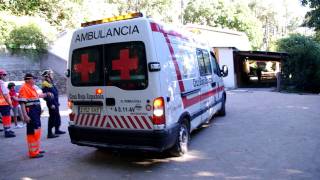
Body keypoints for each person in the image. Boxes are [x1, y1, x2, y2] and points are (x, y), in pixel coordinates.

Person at [19, 73, 51, 158]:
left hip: (35, 113)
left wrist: (45, 94)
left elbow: (36, 97)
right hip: (31, 113)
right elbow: (22, 103)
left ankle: (36, 149)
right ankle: (33, 153)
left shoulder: (31, 88)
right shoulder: (24, 88)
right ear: (28, 80)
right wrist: (25, 116)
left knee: (37, 130)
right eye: (33, 79)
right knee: (32, 132)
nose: (34, 80)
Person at [41, 69, 65, 138]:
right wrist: (51, 104)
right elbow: (47, 95)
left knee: (57, 116)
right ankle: (49, 133)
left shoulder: (50, 82)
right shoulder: (45, 84)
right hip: (52, 104)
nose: (52, 75)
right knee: (52, 117)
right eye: (51, 74)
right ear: (47, 76)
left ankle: (57, 130)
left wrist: (57, 102)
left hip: (55, 103)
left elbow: (54, 93)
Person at [0, 68, 15, 138]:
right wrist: (10, 104)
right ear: (1, 75)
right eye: (4, 75)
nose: (5, 76)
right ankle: (7, 131)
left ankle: (7, 130)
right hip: (4, 104)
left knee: (4, 118)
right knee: (6, 117)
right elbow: (6, 95)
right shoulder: (1, 83)